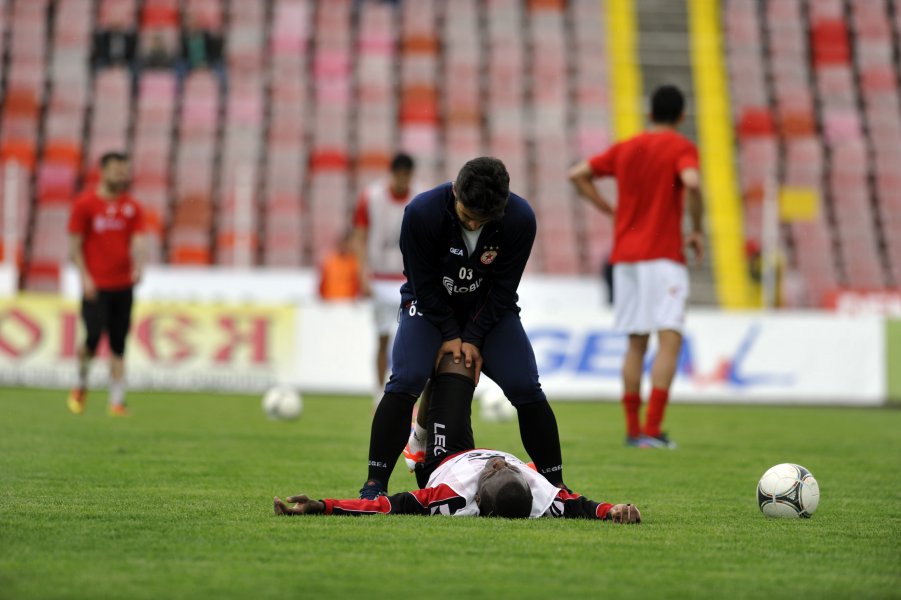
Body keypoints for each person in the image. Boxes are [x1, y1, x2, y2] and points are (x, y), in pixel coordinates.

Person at [358, 156, 567, 500]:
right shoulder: (421, 213)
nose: (471, 223)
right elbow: (421, 286)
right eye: (466, 214)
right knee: (407, 378)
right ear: (455, 190)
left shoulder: (521, 219)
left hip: (489, 315)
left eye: (481, 220)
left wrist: (472, 336)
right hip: (428, 309)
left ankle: (557, 487)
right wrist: (451, 334)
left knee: (526, 386)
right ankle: (374, 483)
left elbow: (503, 290)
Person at [275, 355, 641, 522]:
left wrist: (321, 505)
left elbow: (382, 507)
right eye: (506, 468)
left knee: (452, 364)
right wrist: (615, 511)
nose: (497, 464)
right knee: (464, 357)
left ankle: (419, 443)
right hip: (473, 454)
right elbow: (583, 507)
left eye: (494, 472)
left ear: (477, 497)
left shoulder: (448, 496)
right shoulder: (543, 497)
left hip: (446, 459)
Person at [568, 85, 704, 449]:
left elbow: (577, 173)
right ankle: (653, 430)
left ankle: (633, 431)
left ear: (650, 113)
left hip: (626, 258)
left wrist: (610, 211)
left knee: (635, 345)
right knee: (670, 339)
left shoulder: (626, 148)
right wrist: (696, 231)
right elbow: (691, 182)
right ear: (681, 116)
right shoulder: (681, 147)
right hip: (663, 257)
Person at [67, 152, 146, 416]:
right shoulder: (85, 204)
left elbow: (138, 240)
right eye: (116, 170)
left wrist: (139, 264)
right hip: (96, 285)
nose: (121, 175)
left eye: (125, 170)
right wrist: (85, 277)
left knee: (118, 343)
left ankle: (117, 401)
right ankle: (80, 383)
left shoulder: (132, 207)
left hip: (123, 285)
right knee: (91, 339)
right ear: (102, 171)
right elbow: (75, 245)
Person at [351, 152, 423, 404]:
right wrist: (362, 273)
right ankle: (377, 393)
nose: (403, 180)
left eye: (407, 175)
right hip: (380, 277)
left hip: (409, 278)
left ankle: (409, 397)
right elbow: (360, 235)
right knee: (382, 338)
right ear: (392, 173)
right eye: (400, 174)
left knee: (413, 341)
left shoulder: (421, 197)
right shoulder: (371, 197)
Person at [318, 230, 361, 301]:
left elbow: (357, 285)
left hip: (348, 304)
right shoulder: (329, 260)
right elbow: (322, 284)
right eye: (345, 244)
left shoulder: (354, 262)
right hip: (330, 303)